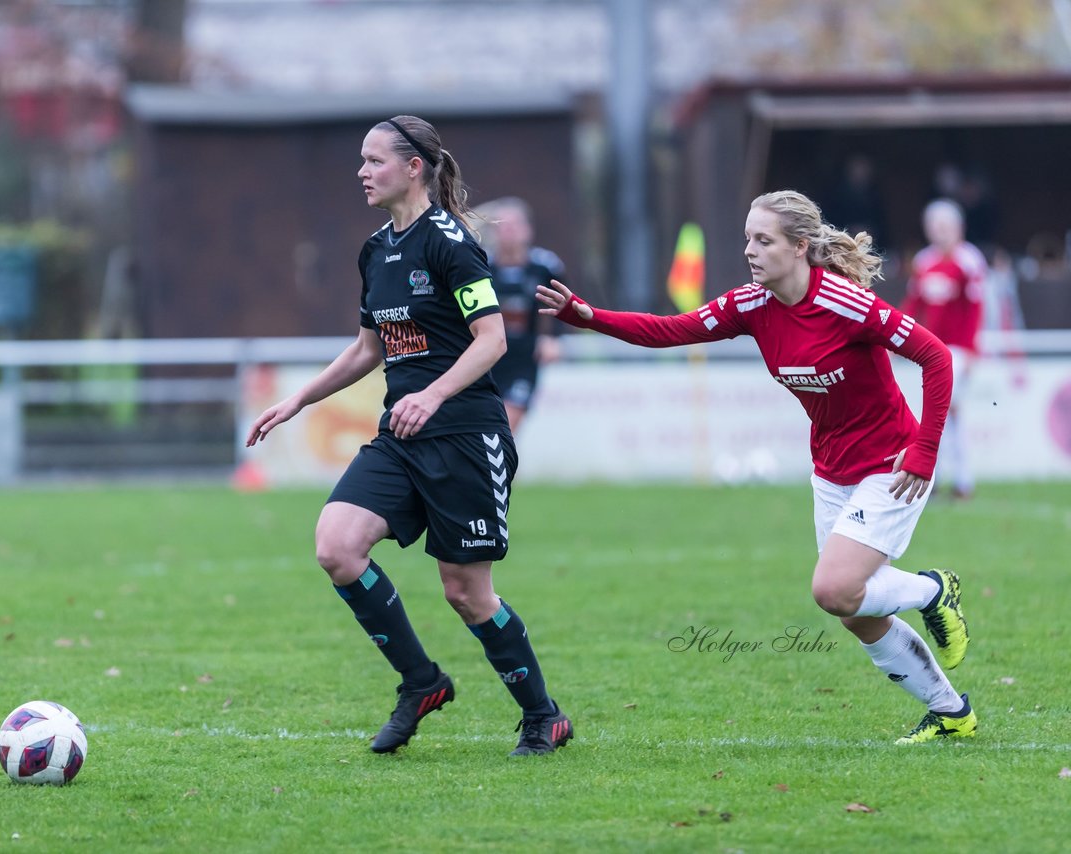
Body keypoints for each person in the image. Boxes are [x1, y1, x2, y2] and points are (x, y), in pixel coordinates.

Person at [537, 190, 975, 744]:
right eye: (747, 237)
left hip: (892, 464)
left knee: (834, 589)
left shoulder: (845, 304)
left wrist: (925, 451)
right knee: (856, 611)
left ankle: (934, 592)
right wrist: (587, 316)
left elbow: (936, 356)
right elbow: (672, 329)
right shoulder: (751, 305)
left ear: (798, 247)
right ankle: (950, 711)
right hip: (831, 470)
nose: (749, 249)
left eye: (762, 240)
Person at [246, 115, 572, 756]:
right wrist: (296, 401)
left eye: (373, 161)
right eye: (361, 162)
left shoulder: (452, 243)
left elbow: (493, 339)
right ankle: (420, 682)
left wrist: (433, 392)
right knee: (337, 547)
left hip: (464, 436)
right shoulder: (376, 250)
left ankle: (543, 716)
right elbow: (368, 348)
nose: (362, 172)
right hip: (402, 434)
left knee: (466, 593)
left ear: (413, 167)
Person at [901, 199, 989, 501]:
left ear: (958, 228)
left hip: (957, 352)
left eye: (944, 226)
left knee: (947, 413)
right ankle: (942, 478)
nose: (939, 233)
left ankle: (958, 480)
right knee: (941, 414)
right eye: (934, 226)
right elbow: (914, 306)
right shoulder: (925, 262)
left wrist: (970, 351)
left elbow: (976, 310)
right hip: (931, 351)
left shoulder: (969, 261)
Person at [478, 197, 565, 432]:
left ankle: (497, 466)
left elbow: (564, 306)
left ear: (528, 230)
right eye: (502, 226)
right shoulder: (480, 266)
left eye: (514, 225)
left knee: (505, 425)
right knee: (483, 426)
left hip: (523, 359)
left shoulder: (545, 267)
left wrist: (553, 339)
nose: (508, 232)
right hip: (485, 356)